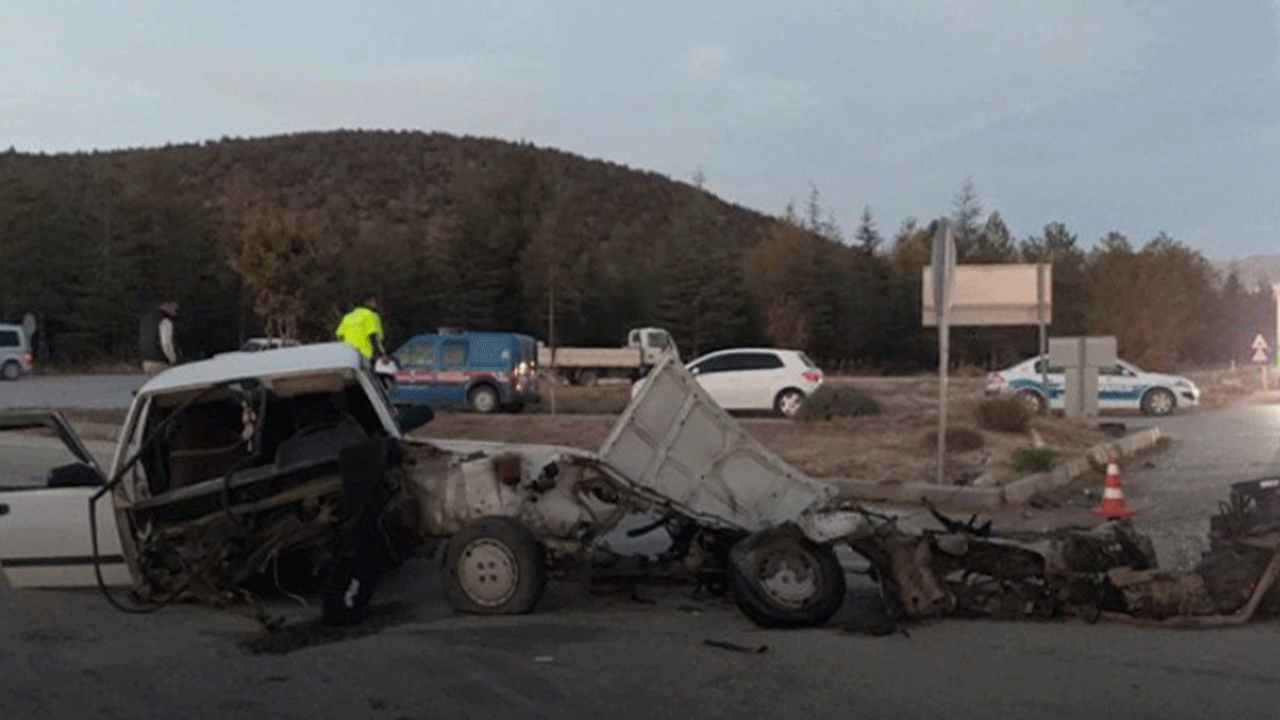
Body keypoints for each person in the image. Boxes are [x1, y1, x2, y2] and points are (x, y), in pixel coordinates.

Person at [334, 291, 387, 361]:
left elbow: (339, 336)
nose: (375, 303)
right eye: (373, 300)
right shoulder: (371, 314)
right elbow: (373, 336)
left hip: (350, 356)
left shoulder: (347, 317)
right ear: (367, 302)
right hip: (367, 355)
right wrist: (381, 355)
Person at [138, 299, 181, 376]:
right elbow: (166, 344)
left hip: (146, 361)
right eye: (174, 306)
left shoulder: (146, 320)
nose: (176, 309)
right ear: (166, 305)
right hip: (160, 362)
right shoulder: (165, 321)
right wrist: (174, 360)